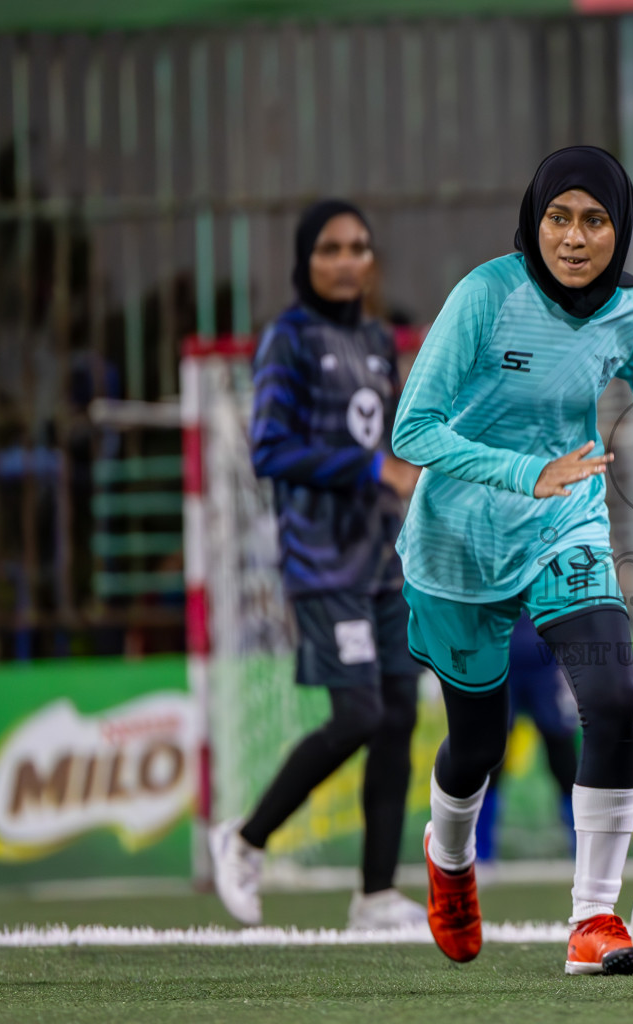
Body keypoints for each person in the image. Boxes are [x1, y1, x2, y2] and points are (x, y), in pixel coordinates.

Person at [391, 146, 633, 975]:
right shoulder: (485, 296)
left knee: (613, 694)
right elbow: (410, 431)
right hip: (457, 543)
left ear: (620, 228)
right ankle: (448, 859)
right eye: (559, 217)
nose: (574, 236)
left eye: (595, 220)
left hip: (566, 526)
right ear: (535, 220)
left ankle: (593, 921)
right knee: (476, 745)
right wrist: (527, 471)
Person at [209, 199, 427, 932]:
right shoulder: (288, 339)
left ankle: (374, 895)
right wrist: (370, 470)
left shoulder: (375, 338)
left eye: (359, 247)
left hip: (384, 560)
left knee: (398, 715)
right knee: (359, 714)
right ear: (305, 259)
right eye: (330, 248)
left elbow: (395, 441)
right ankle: (243, 841)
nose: (346, 260)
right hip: (322, 562)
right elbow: (268, 450)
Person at [472, 612, 580, 875]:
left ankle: (585, 851)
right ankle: (479, 854)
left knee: (564, 758)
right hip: (496, 658)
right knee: (489, 757)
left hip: (547, 661)